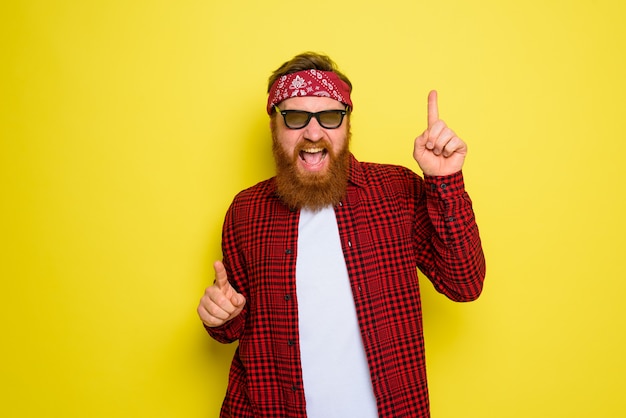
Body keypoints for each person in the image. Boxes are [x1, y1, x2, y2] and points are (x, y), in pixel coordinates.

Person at [197, 52, 486, 418]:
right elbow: (235, 326)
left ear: (347, 125)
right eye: (296, 117)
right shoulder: (247, 211)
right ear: (275, 126)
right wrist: (220, 317)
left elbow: (465, 283)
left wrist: (445, 182)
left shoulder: (395, 191)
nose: (314, 133)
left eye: (330, 117)